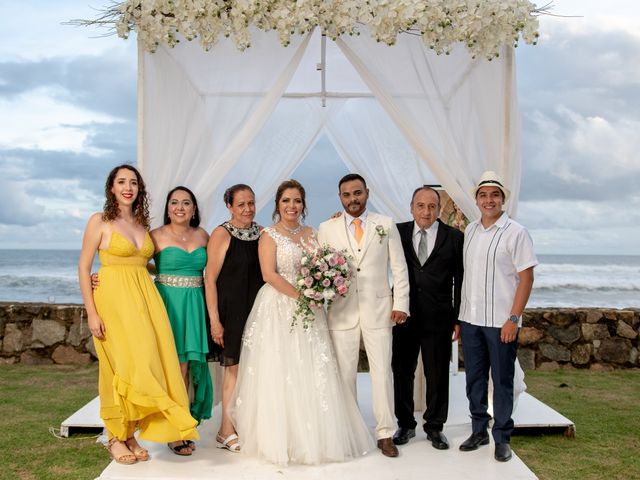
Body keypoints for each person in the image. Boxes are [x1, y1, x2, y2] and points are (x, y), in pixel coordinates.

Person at [230, 179, 373, 465]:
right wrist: (301, 296)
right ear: (278, 205)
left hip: (310, 307)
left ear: (303, 205)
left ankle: (314, 435)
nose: (292, 206)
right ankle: (281, 437)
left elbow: (326, 261)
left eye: (297, 201)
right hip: (279, 306)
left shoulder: (313, 233)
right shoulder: (268, 235)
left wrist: (319, 291)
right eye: (286, 201)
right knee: (280, 368)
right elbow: (269, 274)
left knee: (311, 368)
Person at [78, 164, 198, 465]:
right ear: (112, 188)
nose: (127, 187)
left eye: (133, 182)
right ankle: (116, 437)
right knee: (117, 367)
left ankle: (130, 434)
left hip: (145, 300)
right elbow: (83, 267)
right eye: (121, 182)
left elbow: (144, 265)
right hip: (113, 302)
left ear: (139, 189)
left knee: (142, 364)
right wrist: (91, 311)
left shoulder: (143, 225)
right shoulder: (99, 221)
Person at [317, 173, 410, 458]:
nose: (352, 199)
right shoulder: (327, 227)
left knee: (382, 373)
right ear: (340, 198)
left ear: (367, 193)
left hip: (380, 309)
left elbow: (399, 267)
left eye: (357, 193)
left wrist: (401, 304)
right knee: (345, 375)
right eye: (346, 195)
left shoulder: (385, 224)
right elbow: (321, 271)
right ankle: (350, 431)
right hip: (342, 313)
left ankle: (385, 433)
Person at [457, 171, 537, 462]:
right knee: (474, 379)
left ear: (503, 199)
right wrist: (459, 318)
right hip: (470, 320)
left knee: (502, 380)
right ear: (477, 200)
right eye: (483, 195)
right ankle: (479, 430)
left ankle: (502, 437)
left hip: (501, 322)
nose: (488, 200)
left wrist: (513, 319)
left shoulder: (516, 232)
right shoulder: (471, 230)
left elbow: (526, 278)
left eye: (494, 195)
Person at [392, 186, 464, 450]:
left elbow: (461, 281)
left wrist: (458, 319)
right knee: (401, 372)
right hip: (403, 316)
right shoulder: (395, 232)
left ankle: (435, 427)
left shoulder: (454, 238)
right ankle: (405, 424)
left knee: (437, 374)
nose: (426, 211)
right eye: (420, 206)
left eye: (432, 206)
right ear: (411, 207)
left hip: (439, 317)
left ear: (439, 209)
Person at [204, 184, 263, 452]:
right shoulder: (221, 234)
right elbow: (210, 278)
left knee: (253, 370)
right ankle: (224, 431)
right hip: (231, 311)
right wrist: (215, 320)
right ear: (229, 206)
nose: (247, 209)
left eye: (250, 203)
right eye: (241, 204)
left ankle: (241, 424)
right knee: (234, 370)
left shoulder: (262, 232)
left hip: (257, 310)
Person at [151, 186, 213, 434]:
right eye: (174, 202)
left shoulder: (203, 236)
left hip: (195, 305)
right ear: (167, 208)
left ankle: (183, 423)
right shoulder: (155, 236)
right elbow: (133, 263)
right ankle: (174, 428)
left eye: (186, 203)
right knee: (174, 366)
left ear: (194, 208)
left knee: (188, 366)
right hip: (168, 304)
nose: (180, 208)